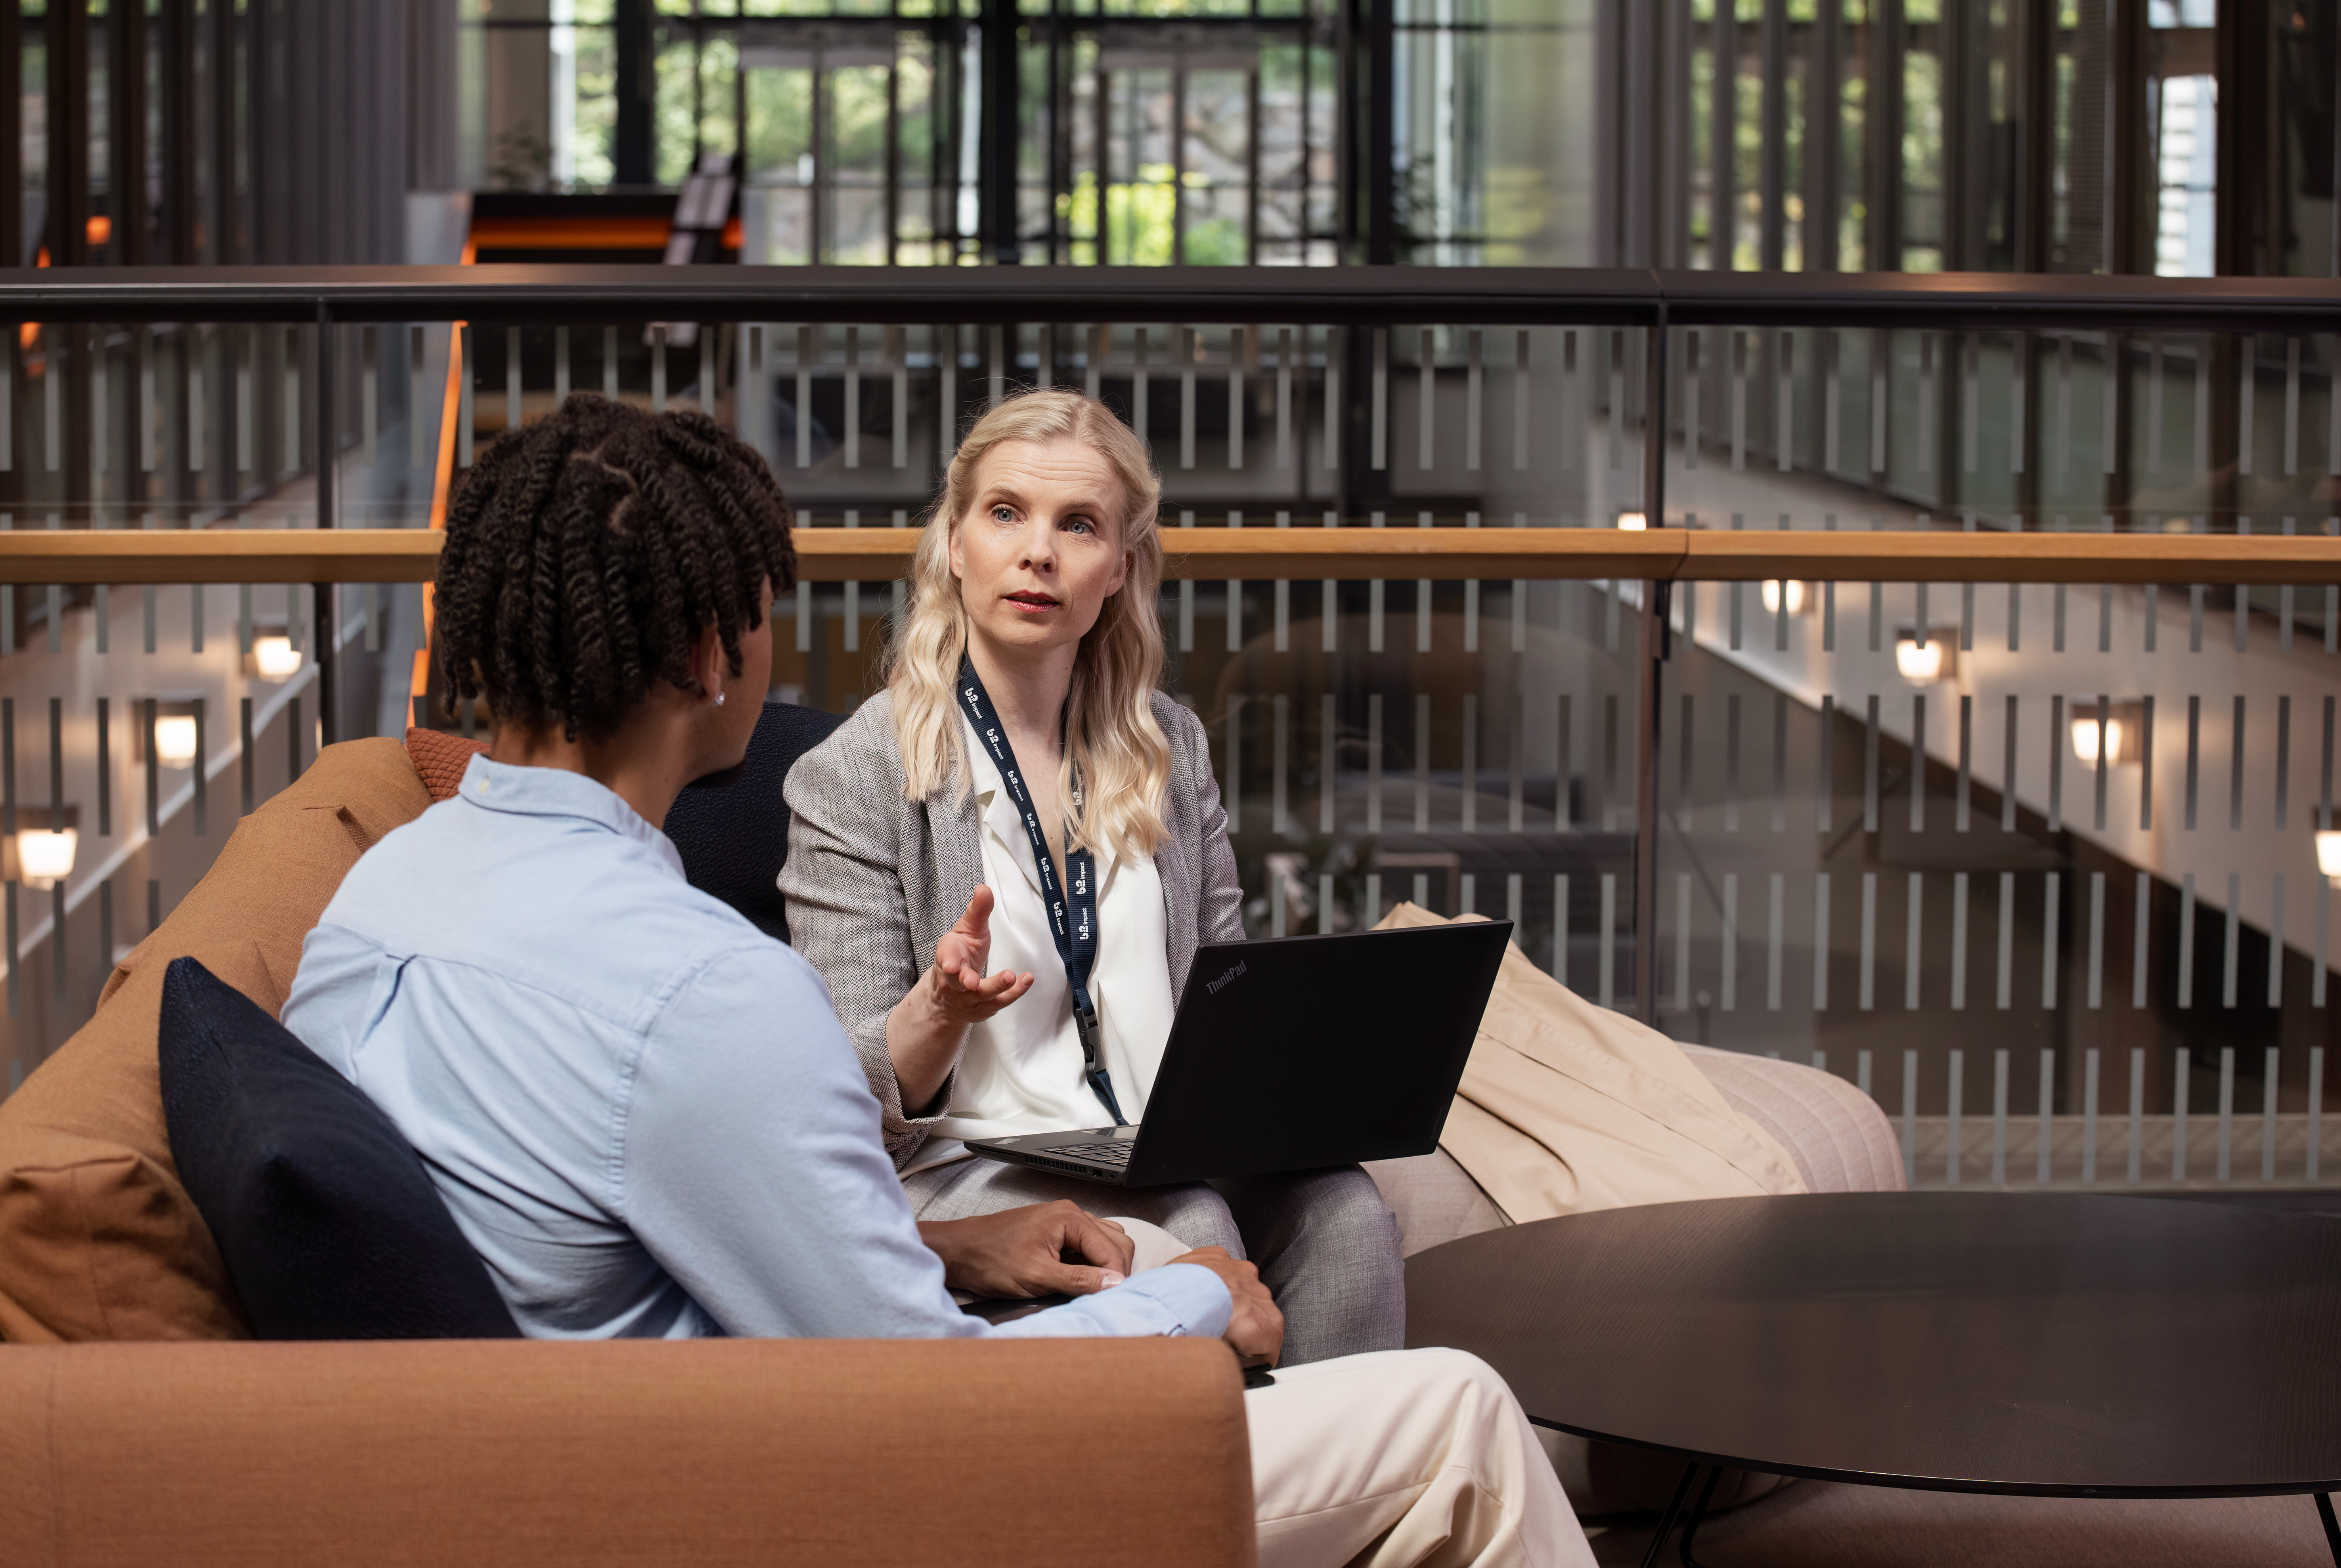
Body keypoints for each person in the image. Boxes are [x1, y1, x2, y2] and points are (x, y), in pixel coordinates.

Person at [280, 394, 1593, 1568]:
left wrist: (953, 1241)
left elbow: (619, 1213)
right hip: (772, 1486)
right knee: (1460, 1410)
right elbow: (933, 1393)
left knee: (1306, 1220)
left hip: (603, 1437)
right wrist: (1191, 1301)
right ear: (709, 649)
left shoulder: (374, 897)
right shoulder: (707, 987)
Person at [778, 388, 1402, 1367]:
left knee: (1348, 1212)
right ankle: (1229, 1500)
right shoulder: (859, 771)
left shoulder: (1170, 746)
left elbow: (1223, 990)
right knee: (1194, 1218)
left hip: (1163, 1137)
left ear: (1118, 565)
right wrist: (939, 1009)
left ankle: (1351, 1496)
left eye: (1078, 525)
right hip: (976, 1163)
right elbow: (837, 1093)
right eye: (1005, 513)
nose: (1039, 552)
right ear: (954, 542)